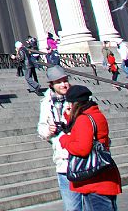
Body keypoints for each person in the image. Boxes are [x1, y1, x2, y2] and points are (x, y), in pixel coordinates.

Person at [58, 85, 122, 210]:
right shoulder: (95, 114)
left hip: (95, 182)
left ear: (75, 103)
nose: (69, 106)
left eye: (70, 103)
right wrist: (68, 118)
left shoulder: (84, 120)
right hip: (103, 176)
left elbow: (82, 148)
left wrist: (63, 140)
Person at [38, 66, 80, 211]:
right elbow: (41, 129)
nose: (63, 85)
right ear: (52, 85)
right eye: (59, 82)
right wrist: (49, 131)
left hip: (82, 159)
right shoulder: (46, 103)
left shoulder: (78, 98)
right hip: (63, 162)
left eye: (65, 80)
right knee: (72, 207)